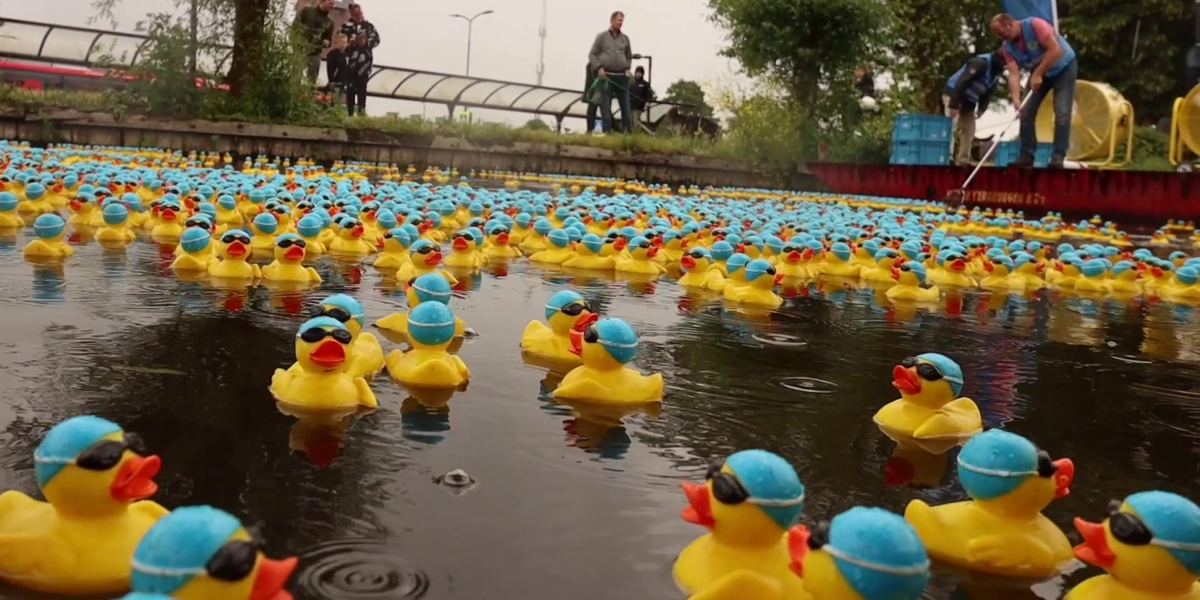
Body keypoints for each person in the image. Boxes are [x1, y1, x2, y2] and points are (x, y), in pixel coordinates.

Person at [991, 13, 1078, 168]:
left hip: (1063, 68)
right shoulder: (1007, 46)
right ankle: (1026, 155)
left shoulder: (1035, 25)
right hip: (1040, 72)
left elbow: (1054, 50)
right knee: (1025, 112)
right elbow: (1013, 73)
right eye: (999, 36)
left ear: (1010, 24)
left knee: (1062, 112)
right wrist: (1016, 98)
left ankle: (1058, 156)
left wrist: (1038, 74)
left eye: (1003, 33)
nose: (1003, 38)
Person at [943, 51, 1003, 165]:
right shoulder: (980, 63)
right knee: (952, 125)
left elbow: (988, 93)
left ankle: (962, 160)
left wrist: (981, 109)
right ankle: (948, 158)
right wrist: (954, 104)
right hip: (953, 94)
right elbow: (961, 82)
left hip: (969, 102)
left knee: (969, 129)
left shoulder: (995, 74)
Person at [587, 11, 638, 134]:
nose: (621, 23)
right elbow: (592, 54)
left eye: (622, 21)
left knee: (625, 105)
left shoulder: (625, 39)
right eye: (619, 20)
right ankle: (607, 132)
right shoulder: (601, 37)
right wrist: (599, 68)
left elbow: (628, 56)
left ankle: (627, 132)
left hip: (622, 77)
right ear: (612, 20)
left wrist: (627, 68)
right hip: (606, 76)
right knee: (605, 106)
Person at [340, 3, 380, 116]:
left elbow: (377, 39)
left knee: (362, 87)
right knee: (350, 87)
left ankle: (361, 112)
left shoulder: (369, 26)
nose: (359, 16)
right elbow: (340, 41)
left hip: (364, 62)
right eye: (356, 14)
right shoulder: (345, 26)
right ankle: (350, 113)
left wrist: (366, 43)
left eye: (360, 13)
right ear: (352, 14)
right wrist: (349, 43)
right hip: (350, 62)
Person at [293, 0, 334, 83]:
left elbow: (329, 39)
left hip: (315, 52)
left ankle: (309, 94)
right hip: (300, 49)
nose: (332, 6)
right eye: (330, 3)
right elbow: (295, 26)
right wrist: (295, 41)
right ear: (323, 1)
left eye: (333, 4)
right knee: (296, 74)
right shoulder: (306, 11)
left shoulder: (329, 22)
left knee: (312, 78)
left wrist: (327, 42)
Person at [629, 66, 656, 133]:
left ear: (642, 74)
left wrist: (647, 102)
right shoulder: (632, 84)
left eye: (640, 73)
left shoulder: (645, 84)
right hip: (631, 106)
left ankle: (648, 133)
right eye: (637, 72)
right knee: (632, 121)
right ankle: (634, 134)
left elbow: (649, 94)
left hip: (639, 106)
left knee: (636, 121)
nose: (638, 74)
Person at [325, 32, 349, 104]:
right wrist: (331, 80)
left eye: (345, 43)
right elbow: (330, 68)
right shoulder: (332, 54)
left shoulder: (346, 54)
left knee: (338, 98)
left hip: (343, 81)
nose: (343, 45)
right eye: (341, 42)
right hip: (335, 80)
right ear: (336, 43)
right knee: (331, 98)